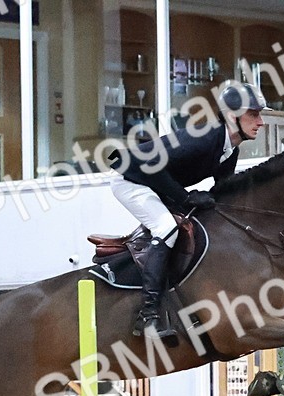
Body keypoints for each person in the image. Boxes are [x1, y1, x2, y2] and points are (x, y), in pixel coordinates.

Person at [111, 82, 267, 339]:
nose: (260, 122)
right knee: (167, 228)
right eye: (254, 114)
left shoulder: (230, 150)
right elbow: (152, 166)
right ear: (232, 116)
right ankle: (148, 317)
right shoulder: (204, 138)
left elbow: (224, 192)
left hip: (154, 182)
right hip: (132, 179)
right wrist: (186, 198)